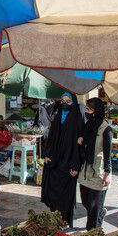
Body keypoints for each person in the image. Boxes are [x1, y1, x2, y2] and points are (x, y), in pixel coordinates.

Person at [41, 92, 83, 227]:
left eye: (68, 101)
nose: (64, 104)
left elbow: (79, 146)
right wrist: (47, 154)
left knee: (66, 195)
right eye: (63, 101)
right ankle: (55, 216)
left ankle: (64, 219)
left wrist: (76, 165)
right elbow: (51, 138)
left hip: (69, 163)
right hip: (55, 161)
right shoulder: (58, 117)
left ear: (74, 103)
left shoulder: (78, 119)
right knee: (51, 190)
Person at [78, 98, 112, 230]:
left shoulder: (106, 129)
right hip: (85, 171)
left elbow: (108, 153)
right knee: (86, 202)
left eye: (89, 109)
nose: (86, 112)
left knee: (93, 207)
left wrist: (107, 173)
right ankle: (100, 213)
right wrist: (81, 140)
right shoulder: (88, 125)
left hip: (98, 171)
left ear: (96, 111)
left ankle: (92, 233)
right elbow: (85, 140)